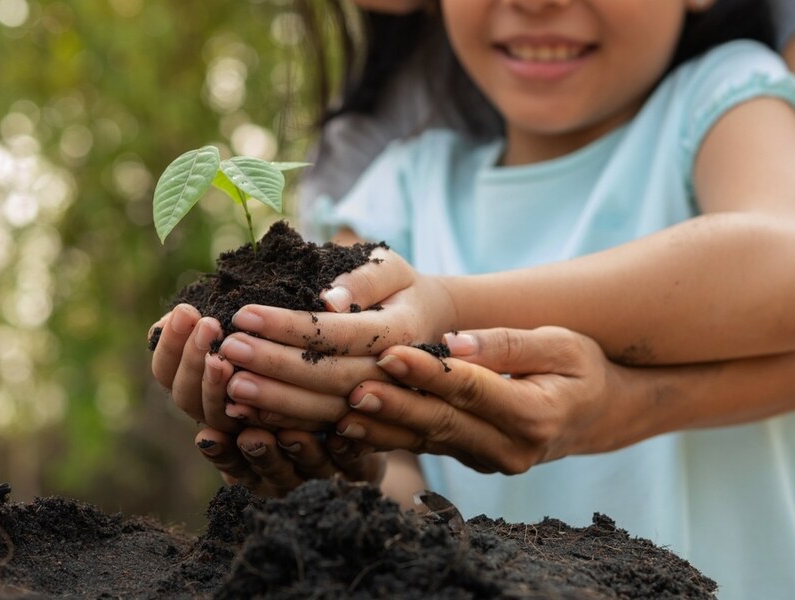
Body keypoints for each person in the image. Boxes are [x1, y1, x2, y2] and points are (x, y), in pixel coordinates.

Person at [150, 0, 795, 596]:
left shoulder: (724, 98)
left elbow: (781, 263)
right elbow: (401, 480)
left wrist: (453, 306)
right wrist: (338, 468)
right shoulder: (397, 192)